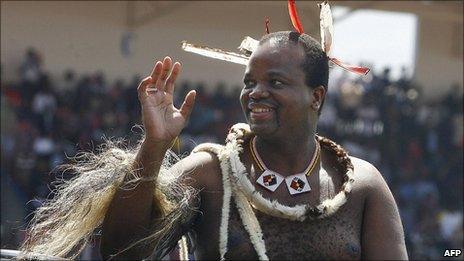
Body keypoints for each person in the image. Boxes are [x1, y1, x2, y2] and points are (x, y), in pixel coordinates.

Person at [20, 31, 408, 260]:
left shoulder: (359, 187)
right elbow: (121, 253)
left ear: (316, 97)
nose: (256, 93)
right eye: (249, 81)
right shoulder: (211, 174)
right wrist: (154, 147)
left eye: (275, 82)